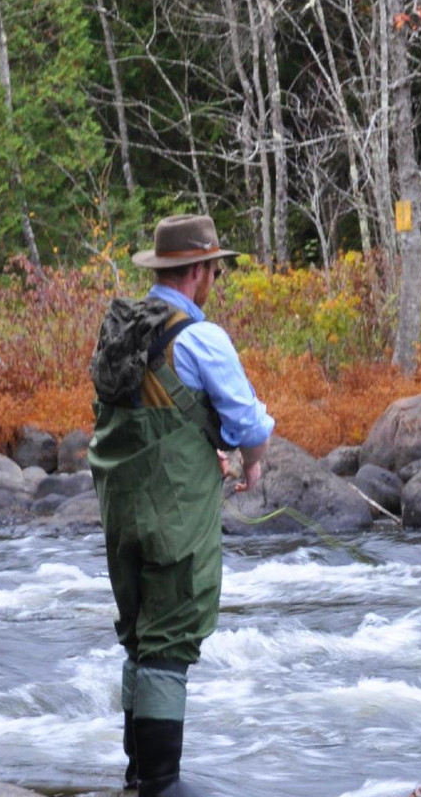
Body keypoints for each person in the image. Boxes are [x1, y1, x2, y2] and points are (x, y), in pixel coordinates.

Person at [87, 214, 274, 797]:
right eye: (214, 269)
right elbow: (248, 423)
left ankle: (136, 772)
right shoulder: (202, 337)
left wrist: (200, 446)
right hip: (174, 514)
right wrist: (254, 461)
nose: (214, 278)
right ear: (198, 271)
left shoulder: (120, 330)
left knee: (139, 635)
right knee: (168, 638)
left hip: (119, 508)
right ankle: (161, 785)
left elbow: (148, 419)